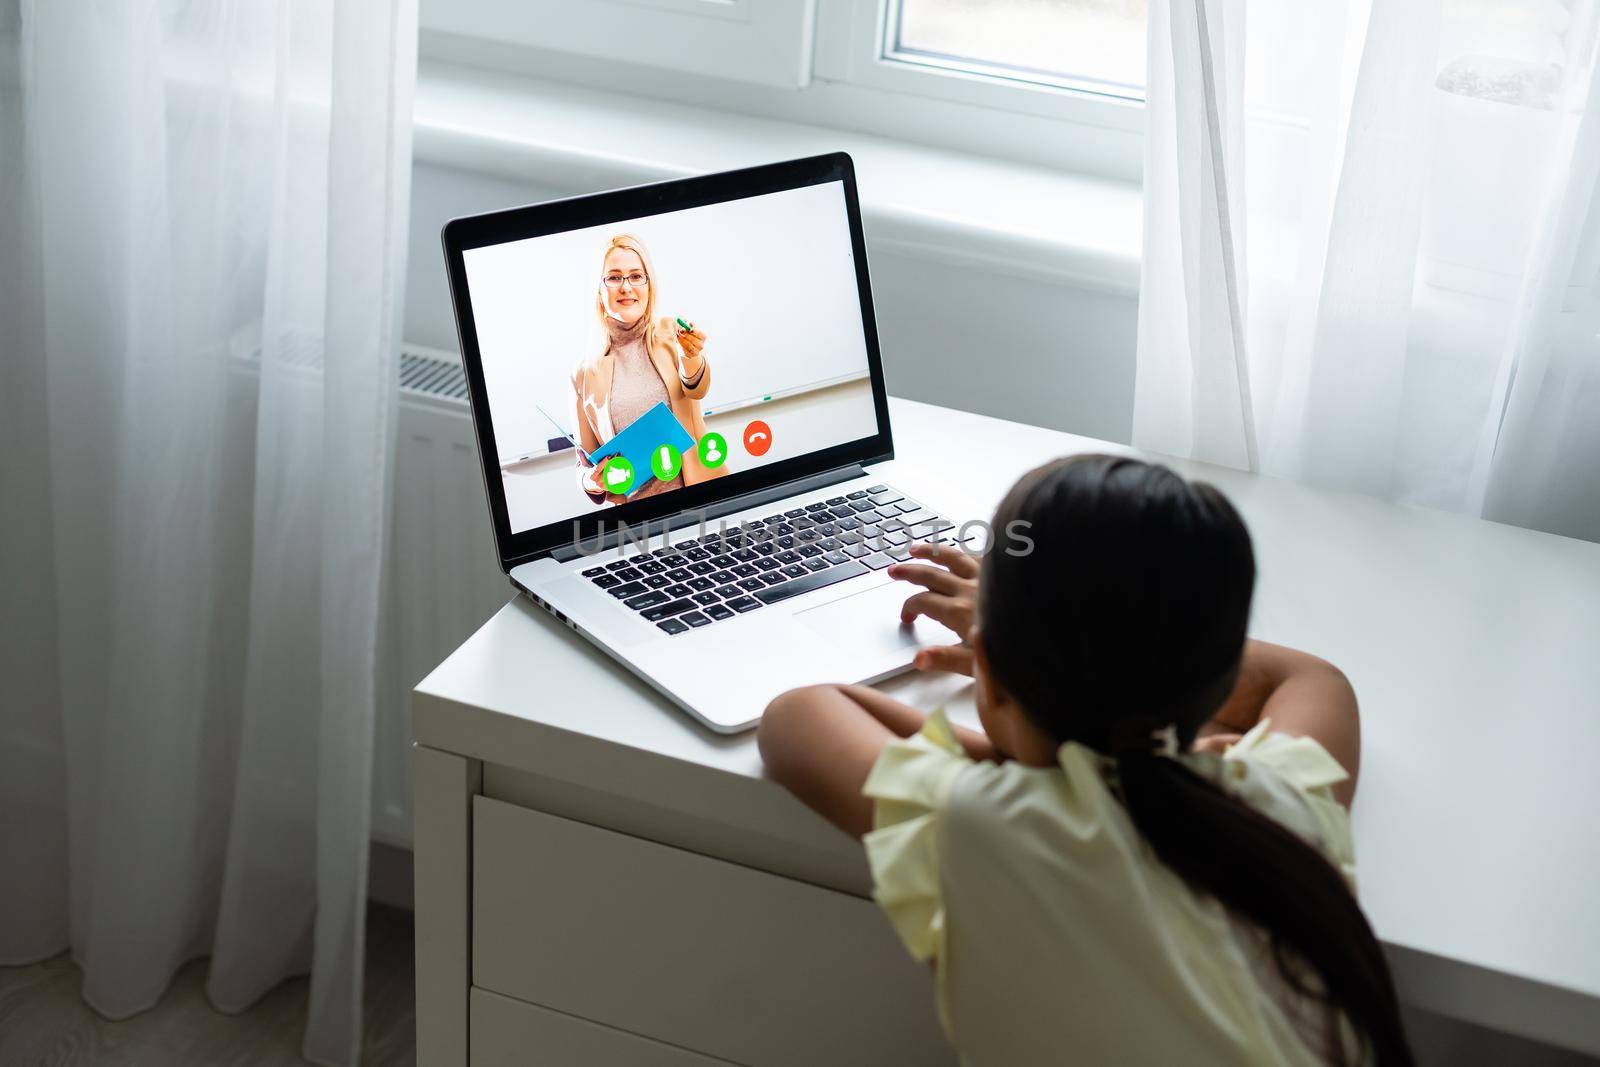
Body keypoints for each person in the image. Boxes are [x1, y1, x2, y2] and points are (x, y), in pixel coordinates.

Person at [758, 454, 1412, 1066]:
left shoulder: (981, 826)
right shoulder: (1278, 804)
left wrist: (1012, 736)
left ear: (986, 667)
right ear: (1213, 678)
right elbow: (1314, 679)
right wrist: (1105, 640)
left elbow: (797, 715)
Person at [569, 233, 728, 503]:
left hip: (703, 496)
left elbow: (697, 388)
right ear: (599, 289)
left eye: (636, 276)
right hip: (639, 518)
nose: (626, 287)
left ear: (649, 284)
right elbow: (584, 463)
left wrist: (691, 356)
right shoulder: (584, 373)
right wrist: (590, 480)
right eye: (614, 277)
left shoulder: (671, 330)